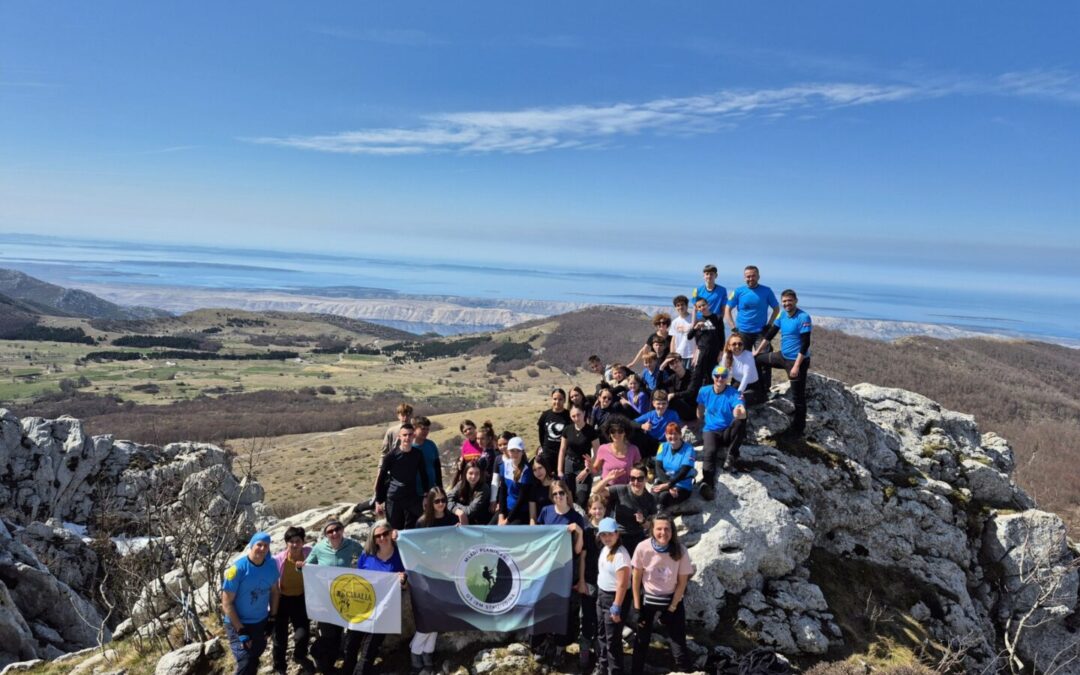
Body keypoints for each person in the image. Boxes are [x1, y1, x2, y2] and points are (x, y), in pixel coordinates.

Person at [630, 515, 693, 675]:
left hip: (672, 600)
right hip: (648, 600)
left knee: (678, 643)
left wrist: (671, 609)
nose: (663, 532)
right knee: (642, 640)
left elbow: (682, 582)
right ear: (652, 530)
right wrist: (637, 609)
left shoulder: (680, 550)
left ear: (672, 531)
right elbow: (636, 580)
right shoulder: (642, 548)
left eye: (667, 529)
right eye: (659, 528)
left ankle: (685, 672)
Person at [343, 521, 407, 675]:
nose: (382, 538)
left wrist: (403, 580)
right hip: (363, 606)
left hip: (384, 609)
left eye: (385, 534)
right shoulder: (366, 555)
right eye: (377, 536)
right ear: (373, 538)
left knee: (369, 650)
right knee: (351, 646)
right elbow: (359, 578)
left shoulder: (402, 555)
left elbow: (407, 584)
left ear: (391, 533)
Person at [534, 481, 587, 664]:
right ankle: (541, 644)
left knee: (564, 610)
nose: (558, 496)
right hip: (547, 570)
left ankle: (559, 649)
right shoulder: (546, 512)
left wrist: (579, 532)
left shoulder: (575, 516)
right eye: (555, 493)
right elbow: (538, 538)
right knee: (544, 607)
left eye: (561, 493)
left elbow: (579, 550)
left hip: (566, 570)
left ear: (567, 494)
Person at [305, 519, 364, 674]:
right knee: (328, 633)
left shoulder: (352, 545)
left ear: (342, 529)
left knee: (344, 632)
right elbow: (307, 566)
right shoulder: (319, 548)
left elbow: (366, 558)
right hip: (325, 599)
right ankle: (324, 663)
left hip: (346, 597)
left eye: (337, 529)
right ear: (326, 535)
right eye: (330, 531)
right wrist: (301, 568)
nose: (334, 533)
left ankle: (339, 664)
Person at [411, 491, 460, 673]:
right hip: (427, 576)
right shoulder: (422, 523)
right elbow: (414, 546)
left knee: (437, 617)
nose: (441, 504)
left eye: (443, 500)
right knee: (428, 617)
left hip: (447, 575)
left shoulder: (451, 520)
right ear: (430, 503)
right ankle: (416, 654)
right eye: (437, 501)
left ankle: (427, 654)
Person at [753, 288, 812, 435]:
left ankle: (798, 430)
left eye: (789, 301)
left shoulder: (803, 317)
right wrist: (758, 351)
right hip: (782, 356)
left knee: (798, 397)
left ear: (795, 301)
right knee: (756, 360)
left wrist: (797, 366)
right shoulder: (782, 315)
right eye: (784, 301)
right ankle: (762, 391)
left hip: (797, 360)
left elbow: (805, 344)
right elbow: (770, 334)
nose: (787, 304)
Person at [222, 532, 280, 675]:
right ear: (251, 546)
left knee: (255, 655)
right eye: (259, 545)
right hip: (238, 623)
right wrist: (241, 630)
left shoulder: (271, 566)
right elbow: (226, 602)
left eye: (265, 545)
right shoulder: (237, 569)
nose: (262, 548)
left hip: (260, 621)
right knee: (245, 660)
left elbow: (275, 592)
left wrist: (272, 618)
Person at [725, 265, 780, 393]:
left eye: (753, 275)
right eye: (748, 276)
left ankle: (765, 389)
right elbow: (727, 309)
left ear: (758, 276)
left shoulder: (766, 291)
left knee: (763, 360)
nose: (751, 278)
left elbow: (776, 308)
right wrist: (733, 328)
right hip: (742, 332)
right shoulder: (738, 291)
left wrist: (769, 324)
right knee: (739, 359)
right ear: (744, 278)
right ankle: (737, 386)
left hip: (760, 332)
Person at [697, 366, 748, 500]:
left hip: (727, 431)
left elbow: (740, 408)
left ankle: (731, 455)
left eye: (723, 376)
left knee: (740, 422)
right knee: (709, 452)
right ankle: (707, 484)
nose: (720, 379)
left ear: (727, 378)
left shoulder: (734, 393)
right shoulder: (704, 391)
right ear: (713, 376)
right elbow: (700, 406)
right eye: (717, 376)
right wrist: (699, 419)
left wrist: (739, 412)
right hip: (711, 430)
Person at [272, 527, 314, 675]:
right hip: (282, 600)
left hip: (300, 599)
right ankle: (279, 668)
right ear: (286, 543)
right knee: (279, 638)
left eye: (298, 541)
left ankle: (299, 656)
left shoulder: (309, 554)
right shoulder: (278, 559)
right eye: (291, 542)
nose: (295, 545)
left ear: (303, 542)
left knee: (302, 634)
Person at [374, 424, 431, 530]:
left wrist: (426, 495)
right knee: (395, 530)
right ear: (399, 437)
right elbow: (381, 478)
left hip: (411, 497)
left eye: (410, 435)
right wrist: (378, 501)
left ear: (413, 436)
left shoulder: (417, 454)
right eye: (404, 435)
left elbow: (423, 475)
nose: (407, 438)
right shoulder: (391, 456)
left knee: (415, 528)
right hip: (394, 498)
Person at [595, 517, 631, 675]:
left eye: (610, 534)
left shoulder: (621, 555)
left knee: (612, 640)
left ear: (617, 534)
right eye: (603, 534)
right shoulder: (606, 549)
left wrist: (616, 607)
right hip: (602, 595)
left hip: (614, 599)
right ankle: (603, 668)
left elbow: (622, 584)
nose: (607, 537)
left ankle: (615, 671)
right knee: (602, 635)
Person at [597, 463, 656, 557]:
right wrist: (608, 478)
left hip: (638, 536)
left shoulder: (650, 499)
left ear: (645, 479)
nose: (636, 482)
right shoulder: (621, 490)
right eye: (632, 478)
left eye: (640, 479)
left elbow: (650, 525)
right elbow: (596, 491)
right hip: (619, 535)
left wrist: (643, 521)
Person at [558, 402, 600, 507]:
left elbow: (598, 452)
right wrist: (559, 470)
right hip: (569, 465)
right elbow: (562, 450)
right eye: (573, 416)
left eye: (578, 415)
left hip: (583, 466)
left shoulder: (591, 431)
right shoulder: (567, 430)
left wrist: (587, 470)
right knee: (569, 495)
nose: (576, 418)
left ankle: (581, 520)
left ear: (584, 413)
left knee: (582, 497)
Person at [652, 423, 696, 511]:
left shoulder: (689, 449)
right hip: (666, 481)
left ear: (680, 434)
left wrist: (669, 485)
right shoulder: (662, 446)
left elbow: (683, 472)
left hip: (682, 485)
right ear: (665, 435)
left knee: (663, 497)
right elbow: (658, 468)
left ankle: (663, 516)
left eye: (675, 433)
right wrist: (669, 486)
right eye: (670, 434)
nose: (673, 436)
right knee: (653, 494)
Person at [687, 296, 725, 394]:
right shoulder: (699, 320)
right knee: (698, 374)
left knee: (713, 374)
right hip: (702, 351)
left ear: (708, 305)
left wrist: (721, 351)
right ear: (697, 309)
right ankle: (692, 394)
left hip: (714, 351)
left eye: (703, 305)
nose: (702, 308)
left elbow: (722, 335)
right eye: (699, 307)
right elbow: (689, 336)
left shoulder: (717, 318)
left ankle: (713, 394)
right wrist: (695, 327)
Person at [633, 390, 680, 461]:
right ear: (653, 404)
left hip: (665, 443)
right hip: (651, 442)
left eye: (664, 403)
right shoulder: (650, 415)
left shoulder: (673, 414)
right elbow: (632, 422)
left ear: (667, 404)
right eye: (658, 404)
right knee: (637, 435)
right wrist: (642, 426)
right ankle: (644, 460)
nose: (661, 406)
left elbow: (677, 429)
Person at [593, 417, 641, 487]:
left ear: (625, 433)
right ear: (609, 433)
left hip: (626, 489)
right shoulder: (603, 449)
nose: (616, 434)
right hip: (607, 488)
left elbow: (638, 471)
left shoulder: (633, 449)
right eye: (613, 431)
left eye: (620, 431)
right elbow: (596, 469)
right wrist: (589, 466)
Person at [497, 437, 533, 525]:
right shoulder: (504, 466)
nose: (515, 453)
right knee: (490, 528)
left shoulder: (526, 470)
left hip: (520, 512)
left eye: (518, 450)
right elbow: (502, 491)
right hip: (506, 509)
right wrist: (501, 515)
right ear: (508, 451)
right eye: (512, 450)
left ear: (522, 452)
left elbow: (521, 499)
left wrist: (507, 521)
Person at [721, 333, 762, 405]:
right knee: (725, 398)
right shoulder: (726, 356)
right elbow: (722, 372)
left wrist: (738, 393)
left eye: (740, 344)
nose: (737, 346)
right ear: (729, 346)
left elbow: (746, 376)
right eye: (734, 344)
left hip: (752, 386)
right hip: (736, 382)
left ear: (743, 346)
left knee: (738, 401)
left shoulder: (748, 355)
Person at [537, 388, 571, 470]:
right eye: (555, 399)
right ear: (551, 399)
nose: (557, 402)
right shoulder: (545, 415)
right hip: (547, 454)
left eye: (560, 399)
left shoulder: (569, 415)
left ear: (564, 400)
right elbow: (541, 433)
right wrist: (544, 448)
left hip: (564, 454)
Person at [411, 416, 443, 494]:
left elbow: (437, 467)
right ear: (414, 429)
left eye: (427, 429)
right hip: (413, 491)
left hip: (431, 490)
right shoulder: (409, 447)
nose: (425, 432)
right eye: (423, 429)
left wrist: (440, 486)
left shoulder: (431, 445)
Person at [670, 295, 696, 371]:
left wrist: (697, 354)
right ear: (675, 307)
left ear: (687, 306)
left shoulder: (693, 319)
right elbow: (673, 339)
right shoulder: (675, 322)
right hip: (679, 355)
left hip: (691, 354)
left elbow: (698, 338)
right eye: (678, 305)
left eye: (682, 305)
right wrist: (672, 355)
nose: (680, 307)